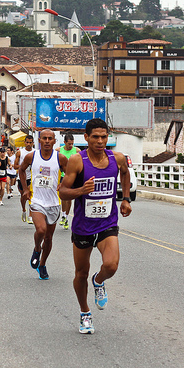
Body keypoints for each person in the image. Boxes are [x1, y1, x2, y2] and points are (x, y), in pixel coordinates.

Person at [58, 118, 133, 334]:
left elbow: (125, 174)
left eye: (104, 137)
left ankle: (98, 281)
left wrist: (126, 199)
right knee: (81, 273)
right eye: (95, 137)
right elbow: (63, 191)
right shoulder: (77, 161)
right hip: (83, 225)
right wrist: (81, 191)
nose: (100, 141)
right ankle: (85, 313)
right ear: (87, 138)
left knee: (111, 265)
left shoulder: (116, 158)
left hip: (107, 223)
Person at [18, 129, 68, 280]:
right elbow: (21, 170)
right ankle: (36, 249)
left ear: (54, 141)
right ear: (39, 141)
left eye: (49, 138)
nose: (47, 141)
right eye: (44, 138)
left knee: (49, 238)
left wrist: (63, 184)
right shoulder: (31, 156)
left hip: (53, 202)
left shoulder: (60, 158)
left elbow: (70, 174)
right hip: (37, 201)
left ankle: (42, 264)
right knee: (41, 230)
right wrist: (25, 189)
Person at [57, 132, 80, 230]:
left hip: (73, 177)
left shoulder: (77, 150)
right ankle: (63, 214)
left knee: (69, 198)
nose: (71, 146)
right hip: (62, 176)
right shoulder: (59, 150)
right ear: (64, 142)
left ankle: (66, 216)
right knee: (63, 197)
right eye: (69, 144)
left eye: (72, 143)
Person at [14, 135, 35, 224]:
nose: (29, 144)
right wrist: (24, 166)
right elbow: (15, 166)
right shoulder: (20, 152)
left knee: (30, 196)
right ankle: (24, 210)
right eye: (27, 142)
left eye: (30, 142)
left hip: (32, 177)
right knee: (23, 196)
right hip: (22, 177)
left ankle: (30, 215)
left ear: (33, 143)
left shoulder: (36, 152)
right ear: (24, 142)